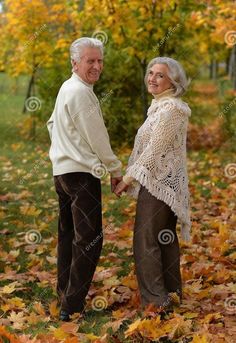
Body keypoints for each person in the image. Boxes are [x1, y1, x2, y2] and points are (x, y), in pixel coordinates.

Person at [47, 37, 122, 321]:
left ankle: (64, 294)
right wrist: (115, 169)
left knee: (69, 236)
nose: (96, 66)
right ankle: (72, 306)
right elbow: (98, 139)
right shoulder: (81, 92)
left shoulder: (68, 87)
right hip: (81, 176)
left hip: (63, 174)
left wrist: (61, 151)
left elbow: (51, 123)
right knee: (90, 239)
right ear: (74, 63)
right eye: (90, 60)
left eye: (100, 60)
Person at [114, 57, 191, 311]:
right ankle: (172, 294)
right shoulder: (161, 107)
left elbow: (154, 149)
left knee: (146, 241)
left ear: (174, 82)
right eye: (150, 73)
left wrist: (127, 179)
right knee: (163, 239)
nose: (152, 78)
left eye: (160, 75)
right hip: (162, 183)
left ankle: (157, 303)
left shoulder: (171, 110)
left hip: (158, 184)